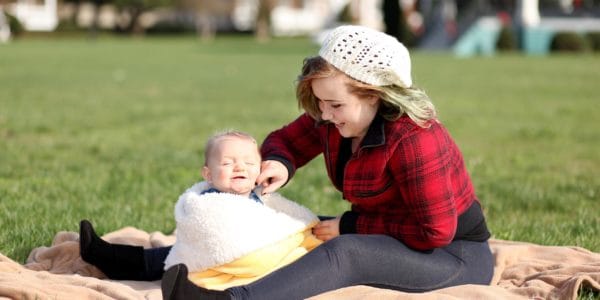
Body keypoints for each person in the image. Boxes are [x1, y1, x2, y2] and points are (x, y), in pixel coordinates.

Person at [160, 25, 494, 300]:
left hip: (451, 254)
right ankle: (130, 261)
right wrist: (279, 162)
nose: (323, 114)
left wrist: (350, 227)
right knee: (278, 230)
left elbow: (433, 232)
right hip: (386, 233)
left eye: (334, 104)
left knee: (346, 251)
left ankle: (232, 299)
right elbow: (286, 140)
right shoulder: (334, 118)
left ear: (374, 95)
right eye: (319, 102)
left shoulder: (416, 139)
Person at [79, 130, 321, 285]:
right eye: (227, 163)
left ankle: (112, 258)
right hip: (201, 254)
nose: (239, 167)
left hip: (237, 261)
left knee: (165, 259)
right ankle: (105, 255)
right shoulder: (207, 203)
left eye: (249, 162)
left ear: (259, 170)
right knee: (165, 258)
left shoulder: (260, 198)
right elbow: (208, 236)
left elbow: (272, 227)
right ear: (209, 174)